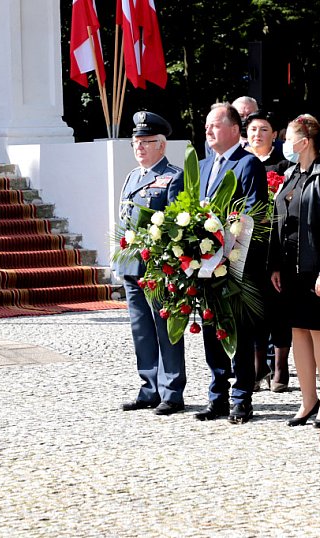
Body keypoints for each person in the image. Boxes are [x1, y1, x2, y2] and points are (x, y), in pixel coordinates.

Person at [267, 114, 320, 428]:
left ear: (304, 141)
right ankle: (308, 399)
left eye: (289, 138)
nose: (285, 144)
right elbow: (279, 223)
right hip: (289, 268)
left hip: (315, 269)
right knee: (298, 332)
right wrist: (274, 264)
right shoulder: (290, 174)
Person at [196, 102, 268, 424]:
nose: (208, 130)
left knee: (239, 334)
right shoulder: (201, 166)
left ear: (235, 129)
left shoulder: (248, 164)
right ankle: (218, 397)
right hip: (205, 267)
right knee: (212, 331)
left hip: (236, 267)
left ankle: (242, 397)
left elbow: (253, 214)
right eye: (207, 125)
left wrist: (225, 248)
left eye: (215, 125)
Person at [114, 111, 186, 416]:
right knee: (141, 330)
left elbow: (175, 226)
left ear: (162, 145)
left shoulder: (172, 176)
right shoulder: (133, 176)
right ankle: (149, 388)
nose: (140, 147)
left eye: (147, 142)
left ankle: (173, 391)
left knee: (164, 329)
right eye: (136, 142)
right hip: (133, 265)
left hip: (158, 267)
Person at [243, 109, 292, 392]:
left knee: (279, 308)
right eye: (252, 129)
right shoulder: (243, 163)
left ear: (274, 134)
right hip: (250, 246)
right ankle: (258, 364)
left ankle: (281, 366)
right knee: (255, 309)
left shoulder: (284, 165)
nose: (257, 134)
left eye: (263, 130)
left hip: (279, 244)